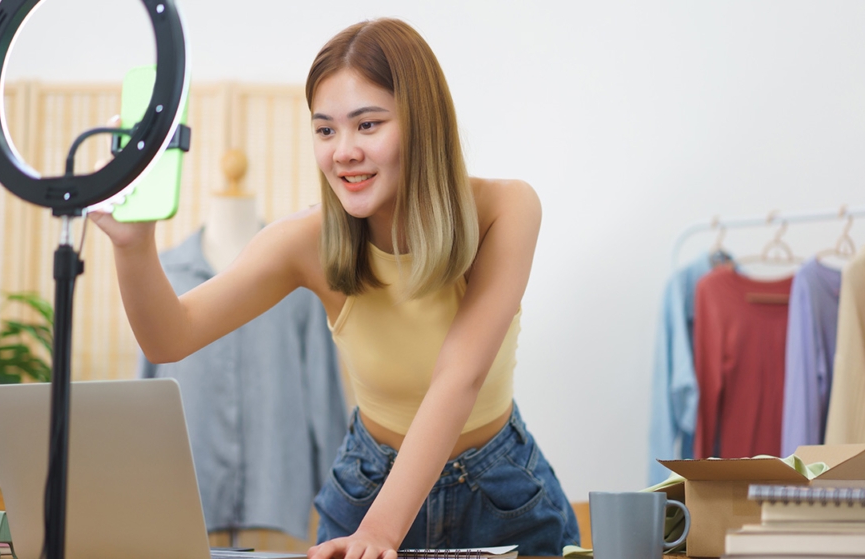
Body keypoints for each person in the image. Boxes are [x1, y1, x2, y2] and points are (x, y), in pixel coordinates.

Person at [92, 17, 580, 559]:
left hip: (501, 488)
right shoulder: (305, 241)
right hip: (367, 482)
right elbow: (170, 338)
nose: (342, 151)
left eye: (367, 125)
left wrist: (381, 532)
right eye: (326, 130)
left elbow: (458, 376)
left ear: (423, 123)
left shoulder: (505, 210)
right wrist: (133, 246)